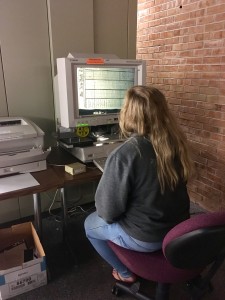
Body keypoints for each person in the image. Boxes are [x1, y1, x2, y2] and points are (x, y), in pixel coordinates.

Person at [84, 85, 194, 283]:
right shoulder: (176, 143)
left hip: (147, 238)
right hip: (179, 230)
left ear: (128, 113)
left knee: (89, 224)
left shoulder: (125, 154)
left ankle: (125, 274)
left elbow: (107, 213)